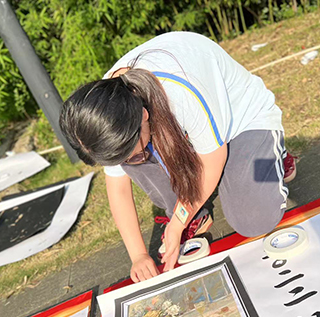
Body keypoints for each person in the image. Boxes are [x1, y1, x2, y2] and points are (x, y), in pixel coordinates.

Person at [59, 32, 296, 283]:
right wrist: (138, 255)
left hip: (243, 124)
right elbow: (118, 189)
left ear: (142, 115)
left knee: (254, 219)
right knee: (135, 154)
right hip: (189, 134)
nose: (133, 162)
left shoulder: (180, 91)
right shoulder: (106, 112)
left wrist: (177, 223)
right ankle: (195, 212)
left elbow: (213, 161)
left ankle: (272, 156)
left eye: (134, 156)